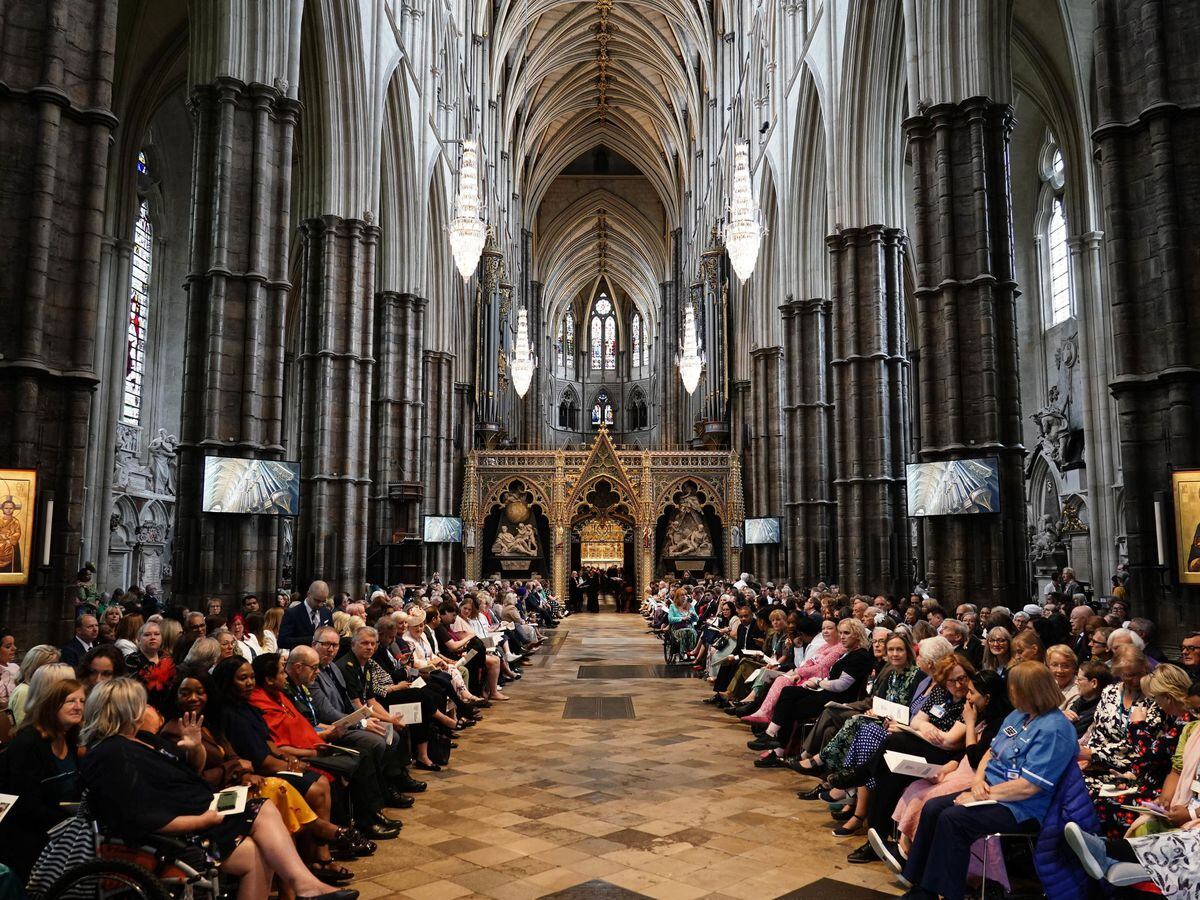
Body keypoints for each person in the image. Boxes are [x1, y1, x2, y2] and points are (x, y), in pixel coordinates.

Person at [78, 678, 357, 900]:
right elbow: (138, 813)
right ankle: (306, 884)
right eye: (143, 704)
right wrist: (203, 819)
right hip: (169, 833)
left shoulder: (142, 739)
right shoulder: (110, 752)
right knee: (262, 816)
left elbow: (191, 774)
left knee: (260, 843)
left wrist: (194, 746)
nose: (149, 708)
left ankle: (305, 884)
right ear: (127, 710)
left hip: (197, 810)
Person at [897, 661, 1079, 900]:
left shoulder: (1055, 729)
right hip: (990, 792)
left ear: (1030, 691)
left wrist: (981, 795)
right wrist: (978, 781)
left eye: (1014, 689)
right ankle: (921, 885)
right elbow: (990, 753)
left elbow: (1029, 786)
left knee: (954, 819)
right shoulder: (1017, 716)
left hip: (1021, 807)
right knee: (933, 807)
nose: (1010, 694)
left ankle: (947, 893)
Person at [0, 678, 85, 877]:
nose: (78, 706)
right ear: (52, 705)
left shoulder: (69, 738)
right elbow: (25, 805)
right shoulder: (28, 744)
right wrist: (71, 821)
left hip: (59, 826)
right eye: (71, 701)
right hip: (27, 834)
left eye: (82, 701)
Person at [8, 644, 61, 725]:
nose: (55, 670)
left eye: (56, 665)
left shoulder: (44, 689)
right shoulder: (24, 691)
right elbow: (22, 727)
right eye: (50, 665)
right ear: (35, 668)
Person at [278, 581, 334, 651]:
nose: (320, 604)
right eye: (317, 601)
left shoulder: (326, 612)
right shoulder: (292, 613)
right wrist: (313, 639)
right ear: (308, 594)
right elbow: (282, 641)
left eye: (323, 601)